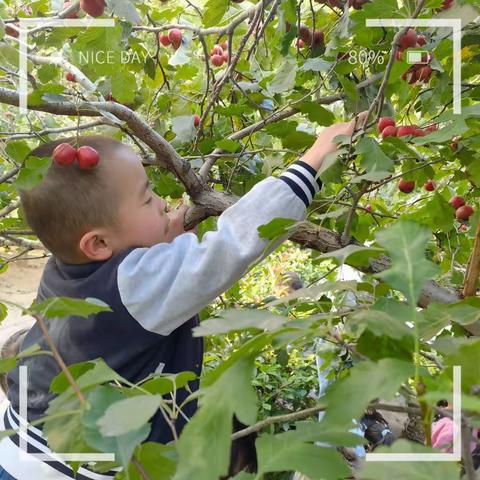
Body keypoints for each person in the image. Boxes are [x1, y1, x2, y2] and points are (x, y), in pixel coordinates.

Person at [0, 111, 368, 480]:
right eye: (147, 200)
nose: (162, 203)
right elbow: (230, 247)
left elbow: (128, 289)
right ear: (97, 242)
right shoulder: (135, 284)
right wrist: (314, 158)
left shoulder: (62, 268)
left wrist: (156, 247)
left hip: (19, 443)